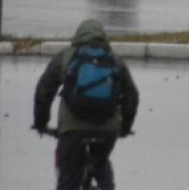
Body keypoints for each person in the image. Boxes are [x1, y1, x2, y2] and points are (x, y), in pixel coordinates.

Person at [33, 19, 139, 190]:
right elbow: (131, 97)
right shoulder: (114, 60)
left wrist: (41, 122)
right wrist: (124, 128)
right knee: (100, 161)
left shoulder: (66, 57)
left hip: (72, 129)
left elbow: (44, 90)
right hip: (107, 129)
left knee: (68, 179)